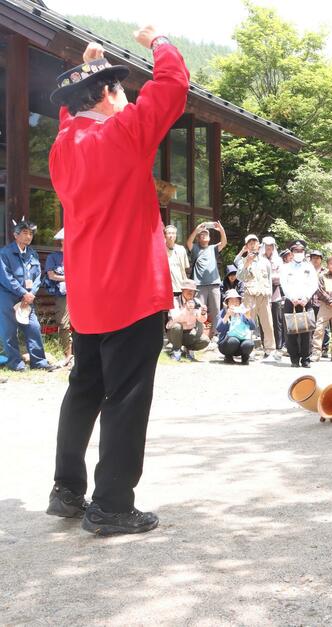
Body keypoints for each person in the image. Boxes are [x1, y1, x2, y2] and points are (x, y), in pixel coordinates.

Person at [46, 31, 189, 534]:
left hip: (88, 297)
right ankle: (111, 504)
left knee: (84, 389)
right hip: (130, 289)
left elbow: (71, 114)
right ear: (108, 95)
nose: (127, 97)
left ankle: (67, 490)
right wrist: (159, 41)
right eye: (120, 89)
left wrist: (93, 69)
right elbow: (172, 85)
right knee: (126, 396)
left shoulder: (63, 149)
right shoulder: (124, 132)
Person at [0, 218, 56, 372]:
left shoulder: (32, 254)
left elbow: (38, 276)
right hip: (8, 297)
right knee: (9, 331)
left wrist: (31, 294)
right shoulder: (5, 253)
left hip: (27, 297)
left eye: (31, 233)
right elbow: (6, 278)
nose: (29, 236)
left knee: (33, 327)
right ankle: (16, 364)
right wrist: (23, 292)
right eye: (25, 233)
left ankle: (39, 362)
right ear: (15, 235)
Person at [236, 234, 276, 361]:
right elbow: (240, 278)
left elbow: (269, 279)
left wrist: (269, 297)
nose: (253, 245)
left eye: (255, 243)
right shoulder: (243, 261)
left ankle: (270, 351)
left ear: (259, 245)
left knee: (268, 324)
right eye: (250, 243)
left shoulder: (265, 261)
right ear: (247, 246)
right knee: (248, 324)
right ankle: (248, 350)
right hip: (249, 296)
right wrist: (247, 263)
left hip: (264, 296)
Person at [280, 239, 318, 368]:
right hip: (291, 302)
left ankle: (306, 358)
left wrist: (306, 298)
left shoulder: (309, 267)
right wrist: (292, 298)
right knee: (292, 331)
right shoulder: (285, 268)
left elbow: (314, 284)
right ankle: (294, 358)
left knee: (306, 332)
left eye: (301, 251)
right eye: (296, 251)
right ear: (291, 252)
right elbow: (283, 285)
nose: (299, 253)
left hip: (305, 302)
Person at [187, 220, 227, 339]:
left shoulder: (213, 248)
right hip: (199, 285)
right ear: (198, 238)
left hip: (214, 283)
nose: (204, 236)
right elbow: (188, 242)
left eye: (206, 234)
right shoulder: (195, 248)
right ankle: (199, 334)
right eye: (201, 235)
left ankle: (215, 334)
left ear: (209, 238)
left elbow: (224, 243)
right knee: (199, 310)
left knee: (215, 311)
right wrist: (196, 230)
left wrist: (221, 230)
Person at [44, 228, 72, 367]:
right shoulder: (53, 257)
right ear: (61, 240)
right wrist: (71, 279)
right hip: (63, 295)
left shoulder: (79, 254)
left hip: (81, 293)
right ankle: (67, 355)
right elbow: (51, 276)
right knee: (63, 323)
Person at [166, 279, 209, 361]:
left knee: (205, 340)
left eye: (193, 291)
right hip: (174, 333)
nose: (191, 292)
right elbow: (175, 318)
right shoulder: (175, 301)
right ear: (182, 290)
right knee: (177, 326)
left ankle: (189, 350)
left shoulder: (197, 302)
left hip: (189, 333)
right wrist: (186, 309)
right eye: (188, 290)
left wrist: (203, 313)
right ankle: (176, 351)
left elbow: (202, 320)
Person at [215, 289, 256, 365]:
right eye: (231, 301)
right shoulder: (223, 312)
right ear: (227, 303)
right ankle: (228, 357)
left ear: (240, 302)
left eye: (236, 300)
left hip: (242, 343)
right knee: (233, 340)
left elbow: (253, 327)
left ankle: (245, 357)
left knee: (249, 344)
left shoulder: (243, 312)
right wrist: (227, 316)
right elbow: (218, 328)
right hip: (227, 344)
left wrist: (248, 317)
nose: (234, 303)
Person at [263, 236, 285, 358]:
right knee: (264, 322)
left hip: (275, 294)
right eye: (266, 246)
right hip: (262, 295)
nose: (269, 248)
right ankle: (266, 347)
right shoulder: (259, 259)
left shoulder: (278, 260)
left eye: (271, 246)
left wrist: (268, 278)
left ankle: (278, 347)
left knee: (277, 321)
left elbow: (280, 278)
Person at [164, 225, 190, 297]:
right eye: (169, 233)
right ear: (165, 235)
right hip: (166, 288)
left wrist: (187, 285)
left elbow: (185, 269)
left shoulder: (181, 249)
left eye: (173, 233)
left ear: (176, 235)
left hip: (180, 287)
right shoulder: (161, 250)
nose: (171, 235)